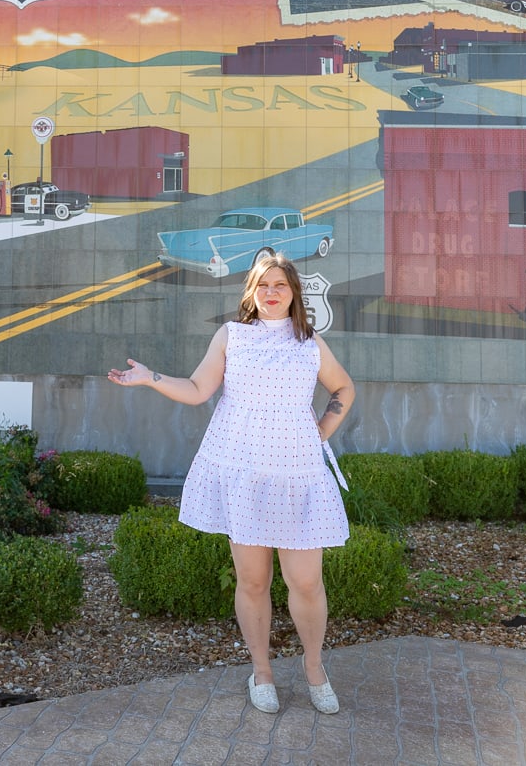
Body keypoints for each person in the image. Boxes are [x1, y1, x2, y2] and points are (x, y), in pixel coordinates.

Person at [108, 253, 355, 715]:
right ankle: (261, 672)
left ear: (294, 293)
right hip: (245, 477)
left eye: (280, 284)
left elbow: (344, 389)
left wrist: (318, 432)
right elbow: (199, 389)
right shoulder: (232, 336)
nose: (272, 292)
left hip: (297, 477)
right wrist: (150, 378)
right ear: (251, 293)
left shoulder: (310, 343)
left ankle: (315, 668)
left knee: (305, 581)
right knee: (253, 580)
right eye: (263, 285)